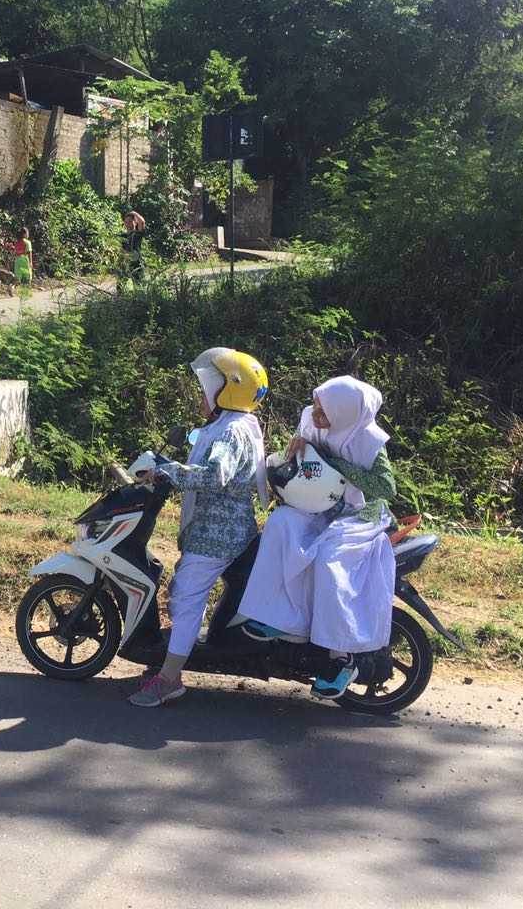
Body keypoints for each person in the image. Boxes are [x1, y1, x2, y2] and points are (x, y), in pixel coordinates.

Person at [235, 375, 397, 699]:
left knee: (330, 555)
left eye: (325, 413)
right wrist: (292, 450)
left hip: (358, 513)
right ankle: (278, 617)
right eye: (316, 407)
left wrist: (335, 461)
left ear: (348, 415)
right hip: (317, 506)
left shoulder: (369, 441)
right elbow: (301, 463)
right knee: (280, 523)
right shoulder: (311, 420)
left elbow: (386, 488)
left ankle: (340, 658)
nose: (317, 417)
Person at [129, 348, 270, 708]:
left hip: (217, 535)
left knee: (186, 598)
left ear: (227, 391)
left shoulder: (230, 432)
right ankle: (169, 662)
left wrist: (166, 471)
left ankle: (170, 679)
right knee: (184, 594)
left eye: (208, 387)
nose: (201, 396)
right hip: (228, 528)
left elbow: (214, 475)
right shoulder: (236, 425)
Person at [119, 211, 146, 290]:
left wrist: (133, 213)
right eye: (126, 222)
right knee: (120, 286)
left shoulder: (137, 233)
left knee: (139, 287)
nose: (128, 224)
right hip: (125, 263)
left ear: (135, 222)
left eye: (130, 221)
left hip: (136, 263)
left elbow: (142, 222)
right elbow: (121, 250)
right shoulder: (122, 236)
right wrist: (119, 262)